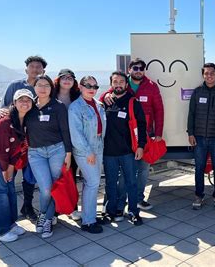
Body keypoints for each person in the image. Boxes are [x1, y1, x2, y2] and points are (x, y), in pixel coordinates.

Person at [101, 58, 164, 211]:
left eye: (141, 68)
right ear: (129, 69)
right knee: (126, 171)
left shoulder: (151, 86)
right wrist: (104, 97)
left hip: (145, 133)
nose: (138, 71)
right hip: (125, 135)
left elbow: (159, 110)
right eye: (135, 68)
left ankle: (139, 199)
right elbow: (107, 96)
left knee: (143, 168)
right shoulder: (121, 82)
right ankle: (122, 201)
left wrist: (158, 132)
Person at [0, 89, 35, 242]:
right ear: (14, 103)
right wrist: (5, 168)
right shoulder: (4, 121)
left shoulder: (26, 120)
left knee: (9, 191)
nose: (25, 103)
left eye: (28, 100)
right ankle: (0, 231)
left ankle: (10, 224)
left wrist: (11, 166)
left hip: (8, 160)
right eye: (21, 100)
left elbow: (18, 147)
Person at [0, 55, 47, 221]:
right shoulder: (15, 86)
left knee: (29, 175)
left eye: (38, 67)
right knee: (10, 172)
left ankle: (27, 206)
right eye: (32, 66)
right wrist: (2, 112)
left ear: (43, 70)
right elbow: (4, 107)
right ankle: (8, 212)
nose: (35, 69)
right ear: (26, 69)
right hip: (14, 138)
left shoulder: (44, 87)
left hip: (32, 139)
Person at [25, 75, 72, 238]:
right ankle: (46, 215)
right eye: (39, 85)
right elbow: (16, 119)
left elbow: (65, 130)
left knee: (54, 186)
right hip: (35, 153)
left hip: (56, 150)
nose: (43, 88)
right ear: (34, 87)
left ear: (52, 88)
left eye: (46, 85)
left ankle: (45, 218)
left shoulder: (58, 107)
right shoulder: (29, 106)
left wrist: (68, 153)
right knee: (45, 188)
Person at [103, 71, 146, 226]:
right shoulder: (105, 101)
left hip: (128, 151)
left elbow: (142, 125)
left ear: (126, 85)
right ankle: (111, 211)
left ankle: (133, 211)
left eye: (121, 82)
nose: (118, 84)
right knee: (110, 183)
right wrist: (105, 95)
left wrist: (141, 146)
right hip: (108, 152)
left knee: (131, 182)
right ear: (111, 84)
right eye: (115, 82)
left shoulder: (132, 102)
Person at [187, 63, 215, 210]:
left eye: (212, 73)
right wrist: (190, 133)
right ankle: (199, 195)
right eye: (206, 73)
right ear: (203, 75)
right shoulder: (197, 92)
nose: (209, 76)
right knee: (199, 167)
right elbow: (191, 113)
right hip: (199, 137)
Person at [68, 76, 106, 234]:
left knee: (90, 183)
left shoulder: (98, 105)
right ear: (80, 87)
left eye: (95, 86)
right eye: (88, 85)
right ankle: (88, 221)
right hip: (85, 151)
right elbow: (75, 133)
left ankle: (88, 215)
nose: (92, 88)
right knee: (93, 182)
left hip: (98, 147)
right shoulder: (75, 107)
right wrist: (88, 152)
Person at [54, 68, 81, 221]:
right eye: (64, 77)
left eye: (70, 78)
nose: (67, 80)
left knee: (71, 176)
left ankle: (72, 208)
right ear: (58, 80)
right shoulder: (50, 95)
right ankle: (56, 210)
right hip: (54, 143)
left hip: (74, 142)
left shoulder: (76, 96)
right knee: (56, 177)